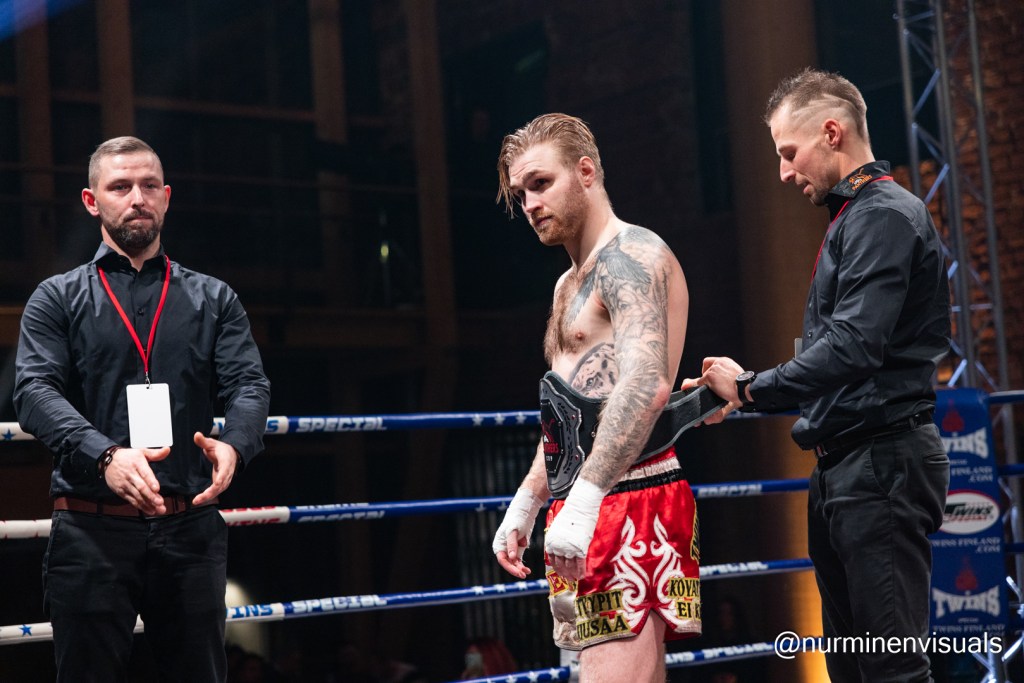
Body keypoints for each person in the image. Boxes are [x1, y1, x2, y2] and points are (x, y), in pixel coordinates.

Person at [683, 68, 951, 682]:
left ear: (832, 133)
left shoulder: (883, 215)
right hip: (851, 463)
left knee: (891, 670)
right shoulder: (858, 217)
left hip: (879, 462)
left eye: (788, 152)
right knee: (852, 669)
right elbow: (843, 358)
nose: (783, 172)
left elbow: (853, 348)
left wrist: (750, 387)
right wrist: (749, 393)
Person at [14, 136, 271, 682]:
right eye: (121, 187)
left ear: (167, 197)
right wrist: (106, 456)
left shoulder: (214, 298)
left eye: (149, 186)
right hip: (91, 526)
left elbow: (249, 383)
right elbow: (33, 392)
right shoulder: (56, 297)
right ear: (92, 201)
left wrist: (236, 443)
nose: (138, 198)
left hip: (190, 526)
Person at [492, 113, 710, 682]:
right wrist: (528, 501)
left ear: (586, 172)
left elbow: (645, 384)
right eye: (521, 193)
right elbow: (570, 411)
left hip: (628, 493)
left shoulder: (631, 256)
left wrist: (586, 498)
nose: (530, 204)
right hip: (589, 496)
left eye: (541, 183)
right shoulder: (567, 284)